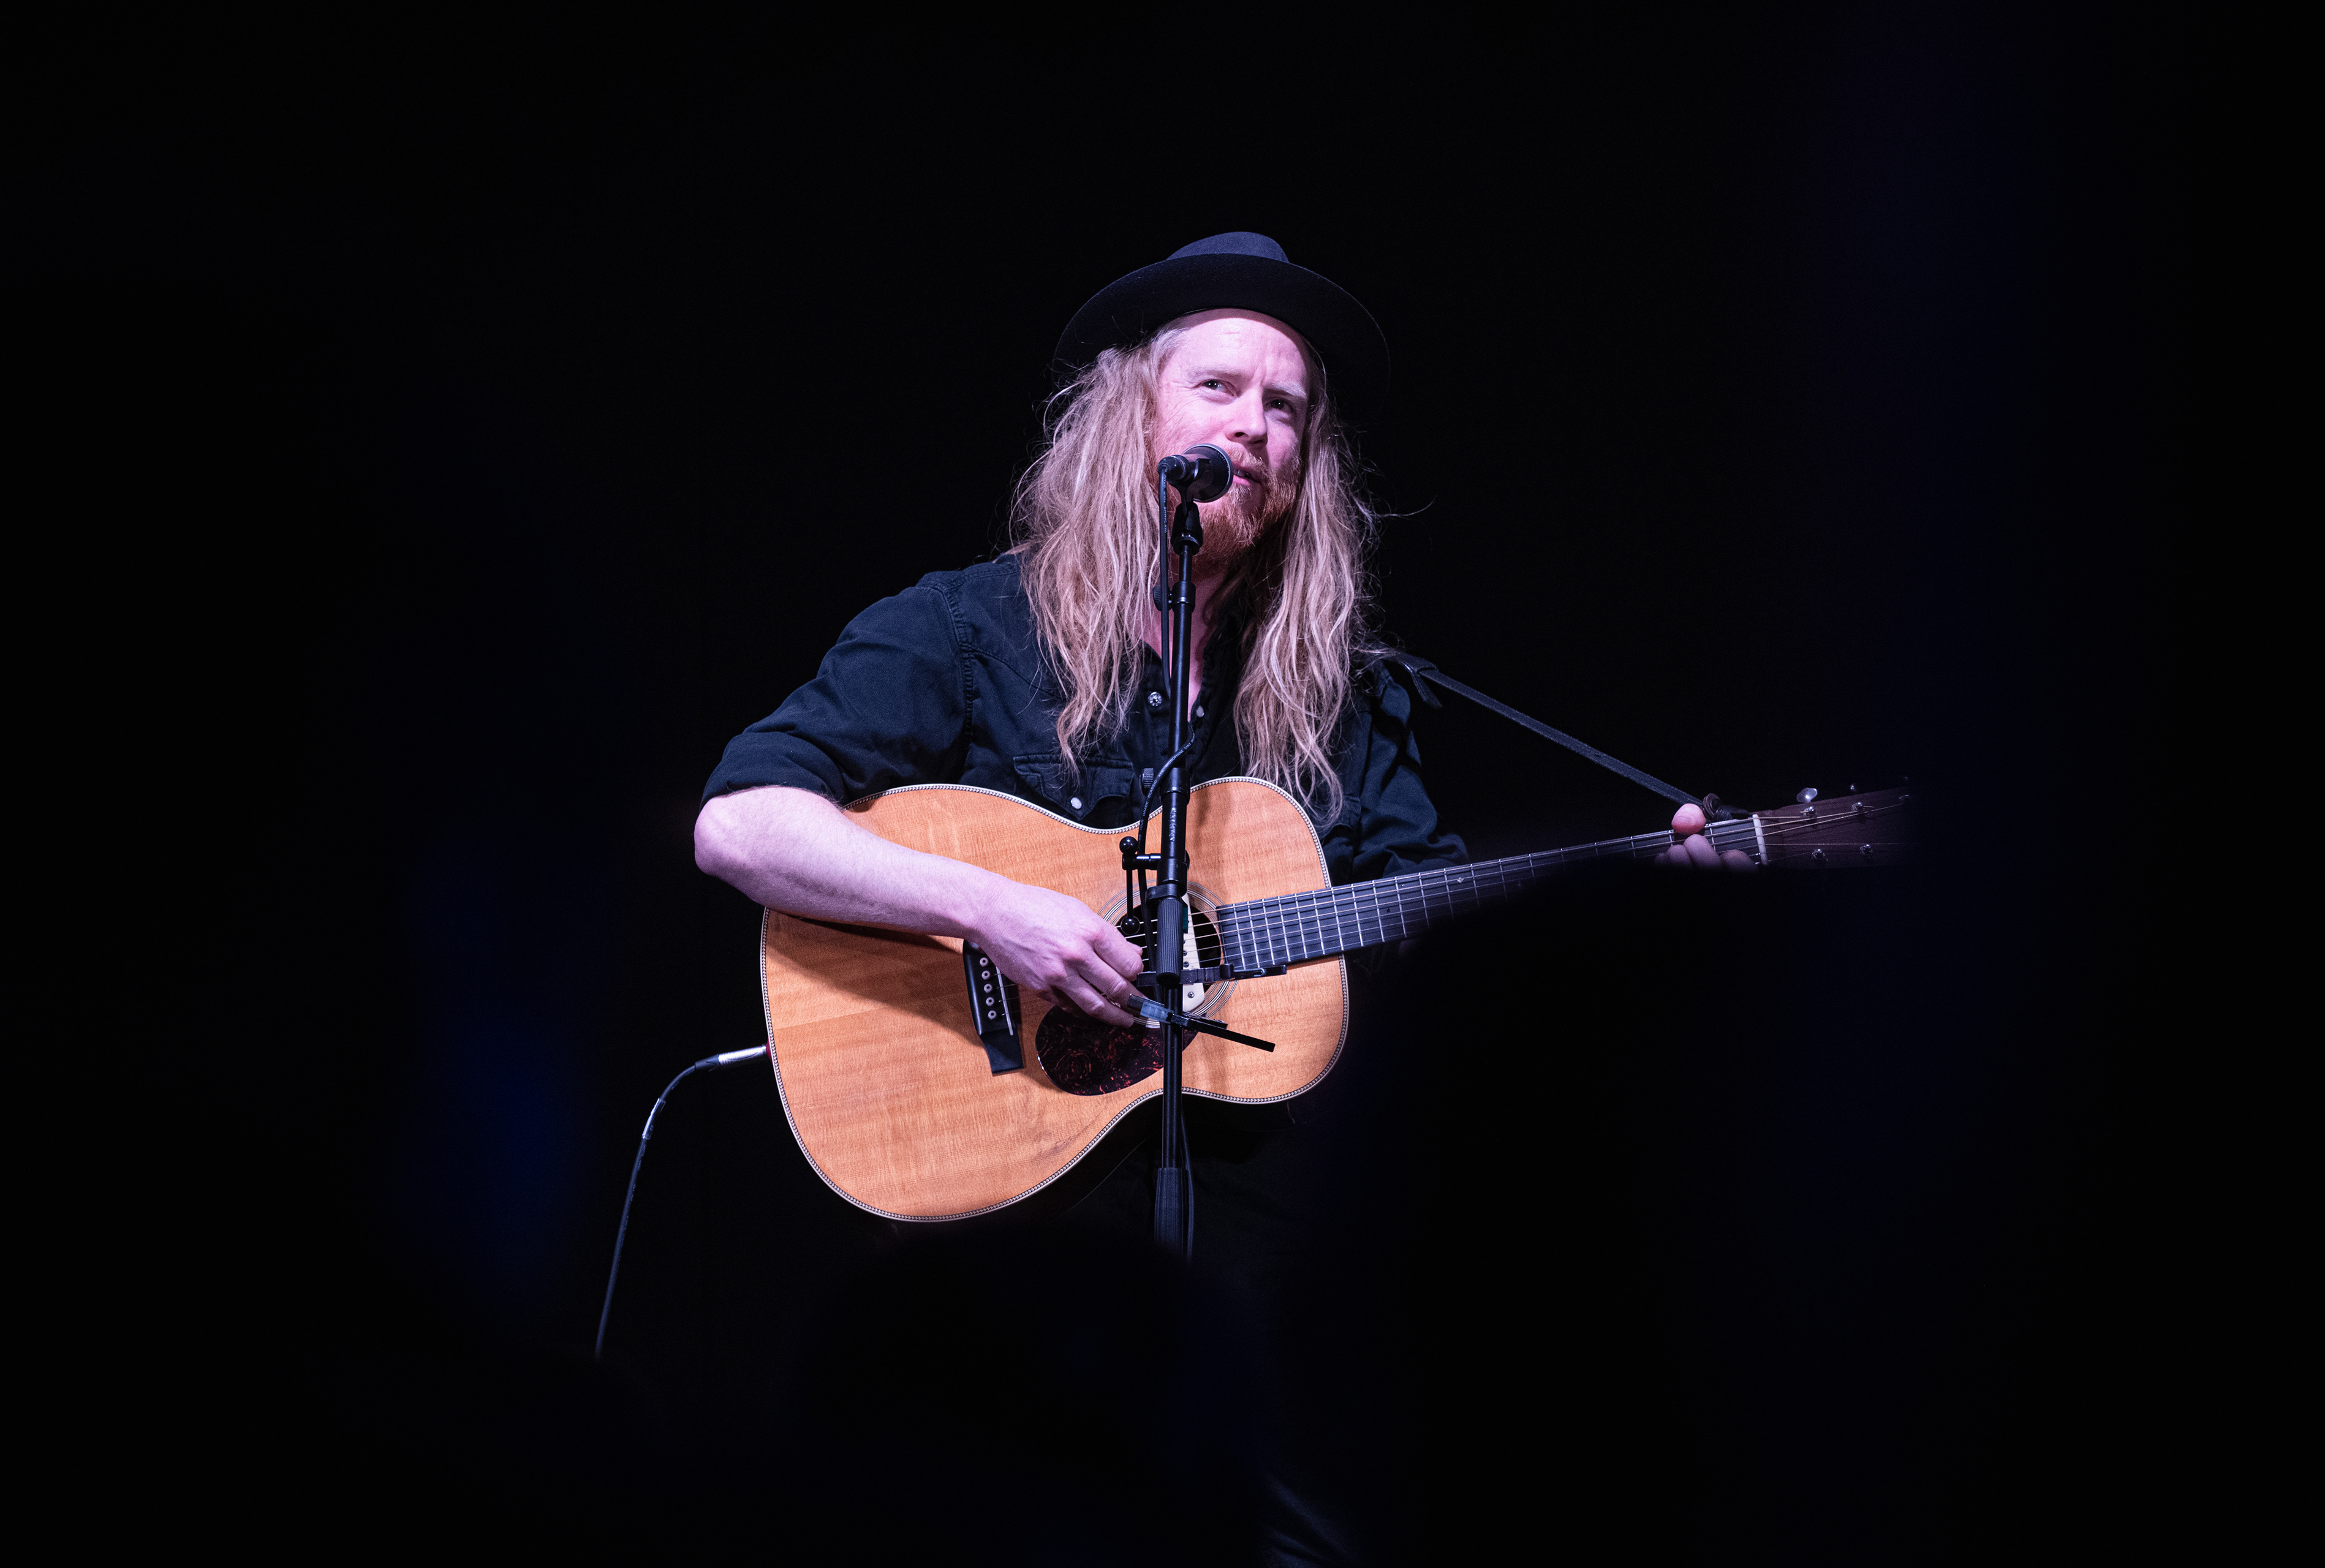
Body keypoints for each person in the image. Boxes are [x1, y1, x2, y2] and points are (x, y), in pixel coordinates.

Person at [689, 232, 1737, 1562]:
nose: (1252, 423)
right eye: (1218, 389)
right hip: (1025, 1257)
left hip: (1265, 1283)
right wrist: (997, 911)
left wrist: (1627, 887)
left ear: (1308, 465)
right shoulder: (964, 629)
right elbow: (743, 822)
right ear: (1134, 412)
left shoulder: (1351, 690)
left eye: (1284, 405)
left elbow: (1420, 915)